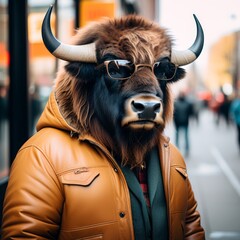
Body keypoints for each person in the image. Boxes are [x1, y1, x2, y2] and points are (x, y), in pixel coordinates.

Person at [1, 8, 205, 240]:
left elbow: (190, 228)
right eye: (116, 68)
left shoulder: (171, 157)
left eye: (161, 69)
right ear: (88, 76)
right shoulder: (42, 155)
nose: (148, 93)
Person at [173, 91, 194, 157]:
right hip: (185, 122)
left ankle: (177, 149)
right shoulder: (188, 103)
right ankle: (187, 150)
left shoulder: (175, 103)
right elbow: (191, 113)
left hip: (178, 123)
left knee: (178, 137)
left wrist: (174, 122)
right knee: (186, 137)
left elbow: (173, 114)